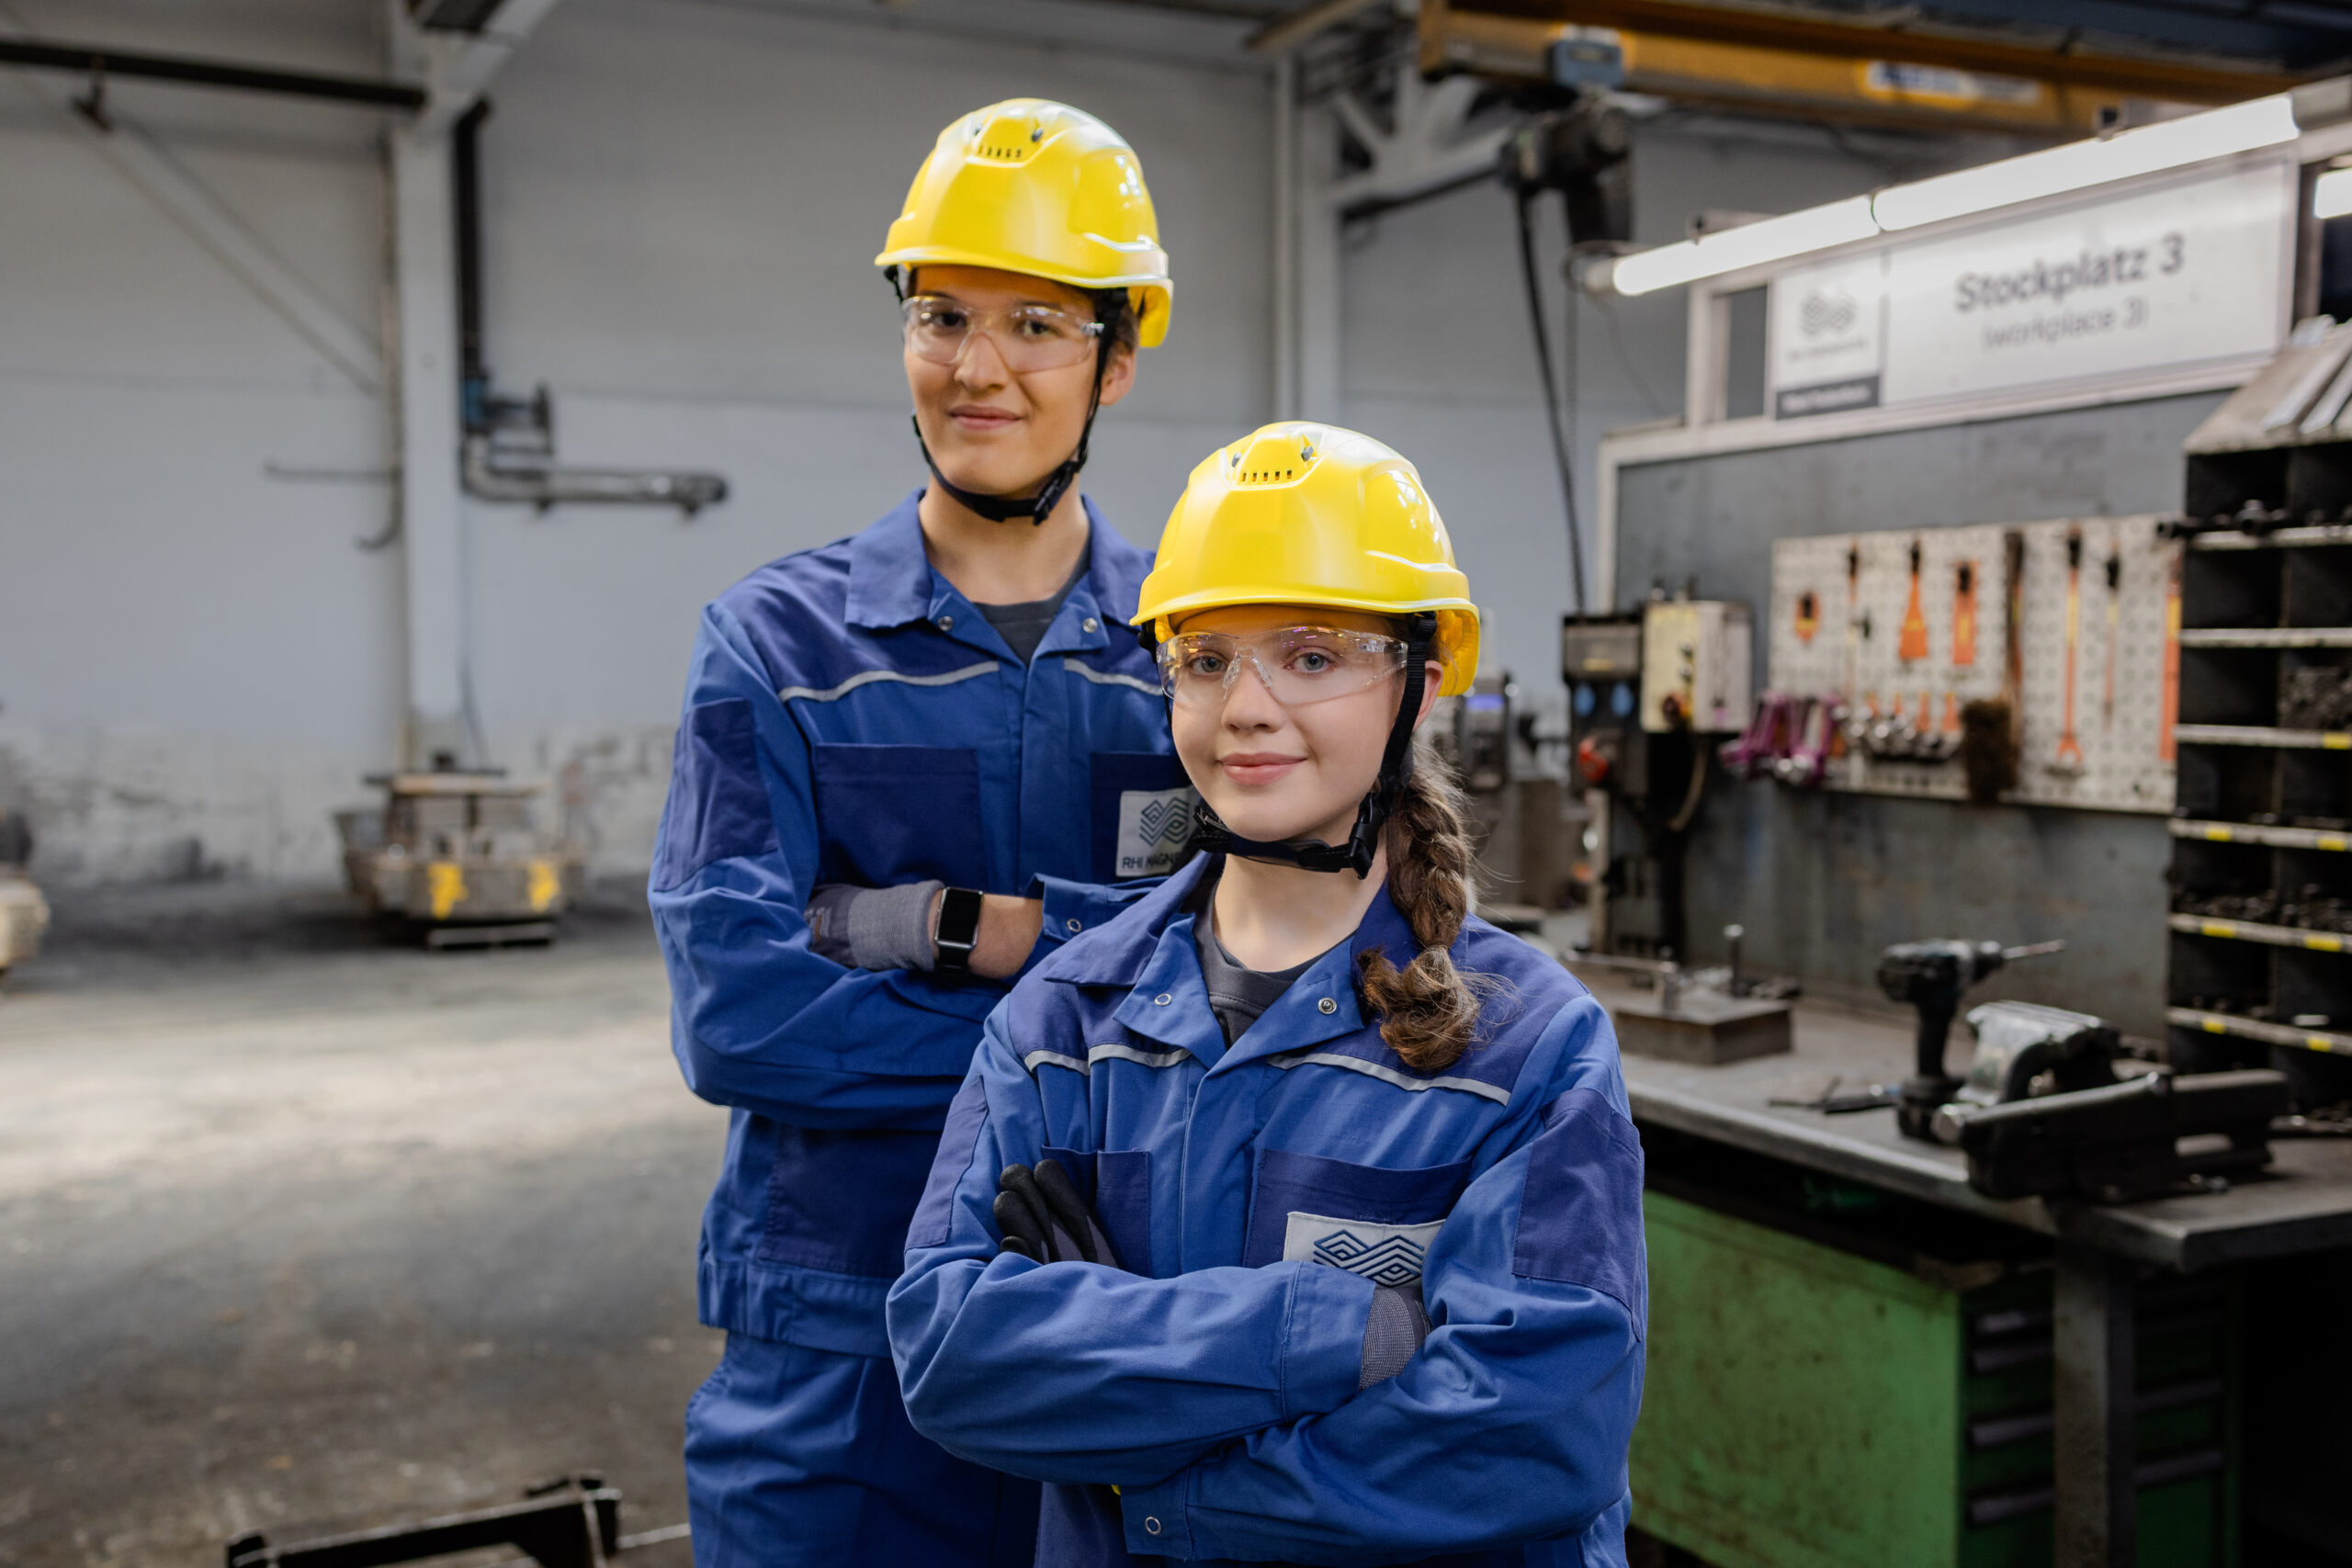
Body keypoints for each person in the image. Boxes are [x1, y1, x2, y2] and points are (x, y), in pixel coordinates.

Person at [888, 423, 1647, 1567]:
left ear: (1419, 684)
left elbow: (1537, 1435)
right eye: (1204, 661)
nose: (1243, 707)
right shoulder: (1065, 1024)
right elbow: (949, 1359)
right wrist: (1338, 1334)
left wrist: (1147, 1465)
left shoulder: (1527, 1047)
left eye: (1311, 657)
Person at [649, 99, 1188, 1566]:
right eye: (943, 315)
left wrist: (959, 928)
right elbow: (742, 1012)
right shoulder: (776, 647)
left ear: (1117, 360)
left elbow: (1250, 960)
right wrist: (1081, 1003)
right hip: (841, 1338)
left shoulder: (1188, 659)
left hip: (1125, 1318)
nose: (978, 367)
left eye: (1037, 324)